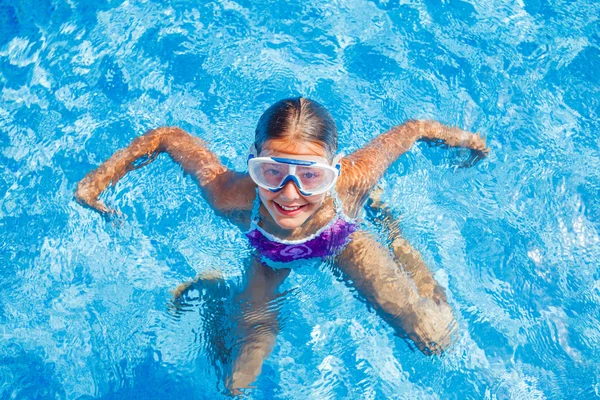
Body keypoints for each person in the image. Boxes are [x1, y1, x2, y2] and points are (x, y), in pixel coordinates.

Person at [75, 97, 489, 394]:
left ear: (334, 168)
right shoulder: (229, 194)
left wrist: (467, 140)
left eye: (310, 176)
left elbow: (412, 130)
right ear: (253, 160)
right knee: (239, 378)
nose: (289, 194)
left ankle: (396, 233)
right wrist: (97, 181)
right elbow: (168, 137)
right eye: (272, 171)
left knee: (435, 336)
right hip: (268, 256)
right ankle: (216, 291)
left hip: (345, 240)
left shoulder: (355, 177)